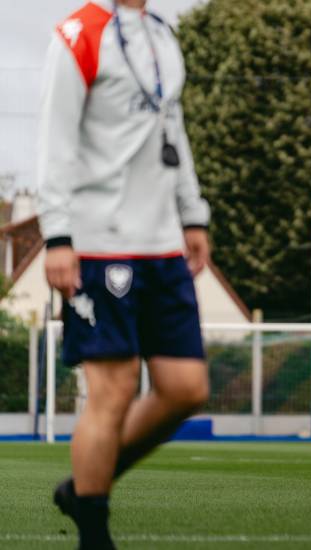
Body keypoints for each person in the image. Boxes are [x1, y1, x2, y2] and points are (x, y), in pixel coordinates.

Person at [38, 0, 211, 547]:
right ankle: (94, 530)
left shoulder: (162, 35)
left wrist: (192, 213)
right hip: (98, 244)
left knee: (186, 389)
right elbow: (54, 142)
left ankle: (85, 486)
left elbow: (174, 132)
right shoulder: (78, 34)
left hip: (162, 245)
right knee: (111, 391)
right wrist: (58, 235)